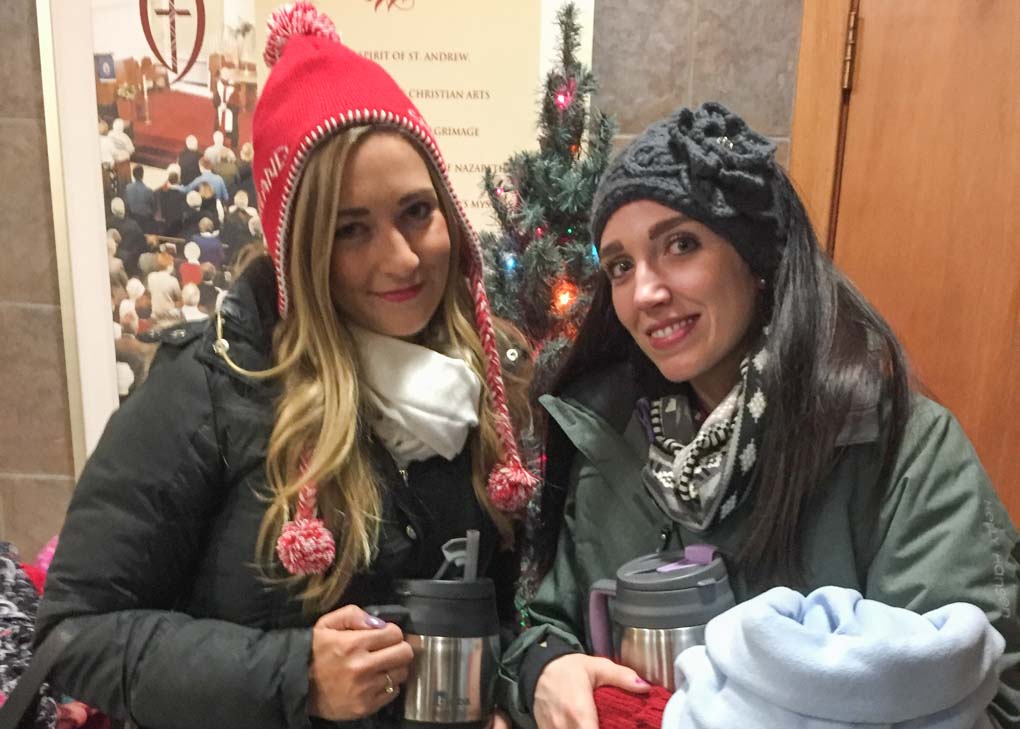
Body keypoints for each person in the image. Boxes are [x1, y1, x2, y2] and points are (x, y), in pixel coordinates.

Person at [35, 5, 537, 729]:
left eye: (417, 211)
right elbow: (75, 633)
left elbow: (513, 607)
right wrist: (294, 674)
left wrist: (505, 693)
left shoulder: (493, 386)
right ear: (299, 248)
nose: (400, 258)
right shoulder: (213, 385)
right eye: (350, 230)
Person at [498, 102, 1020, 729]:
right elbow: (548, 621)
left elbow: (988, 698)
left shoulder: (900, 450)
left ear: (756, 259)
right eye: (621, 266)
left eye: (680, 245)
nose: (645, 293)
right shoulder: (612, 441)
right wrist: (544, 669)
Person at [124, 164, 157, 233]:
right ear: (142, 175)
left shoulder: (128, 188)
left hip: (132, 218)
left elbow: (126, 204)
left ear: (133, 175)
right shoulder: (148, 191)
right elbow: (154, 207)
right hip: (145, 221)